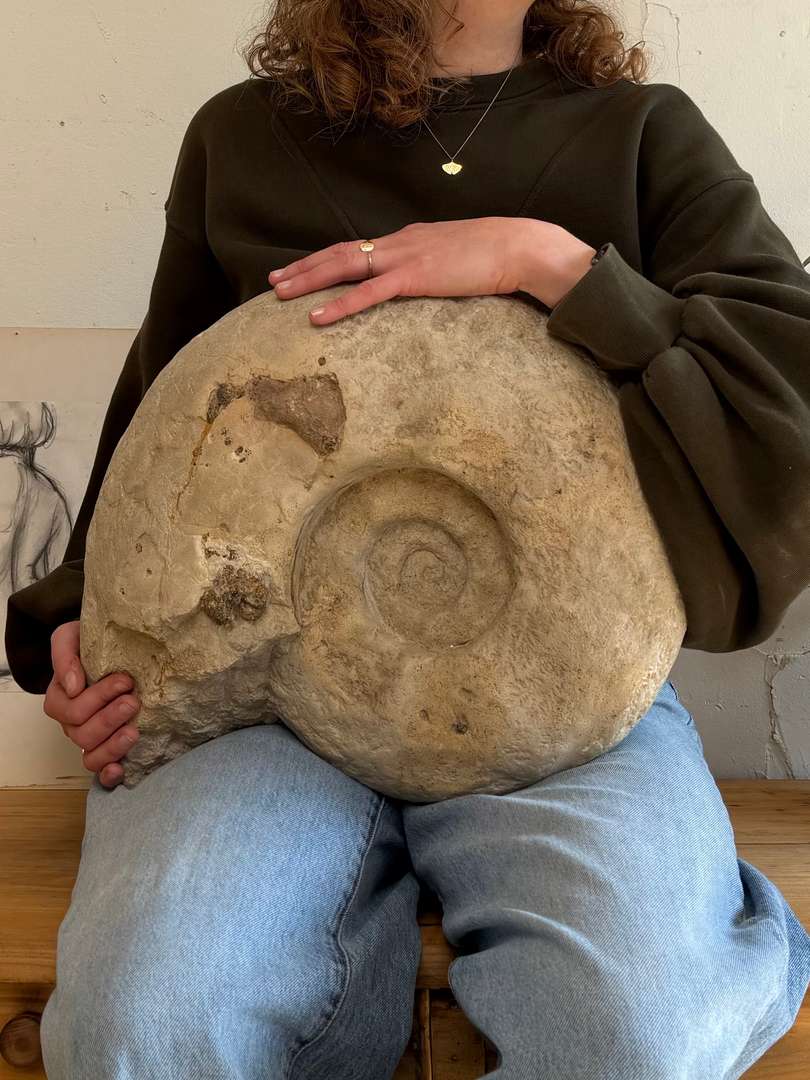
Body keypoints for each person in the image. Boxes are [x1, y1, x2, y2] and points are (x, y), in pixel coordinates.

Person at [5, 1, 810, 1076]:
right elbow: (158, 421)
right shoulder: (242, 137)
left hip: (561, 696)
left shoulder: (643, 134)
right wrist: (87, 634)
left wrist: (553, 264)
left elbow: (787, 394)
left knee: (634, 1031)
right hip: (259, 702)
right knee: (147, 1020)